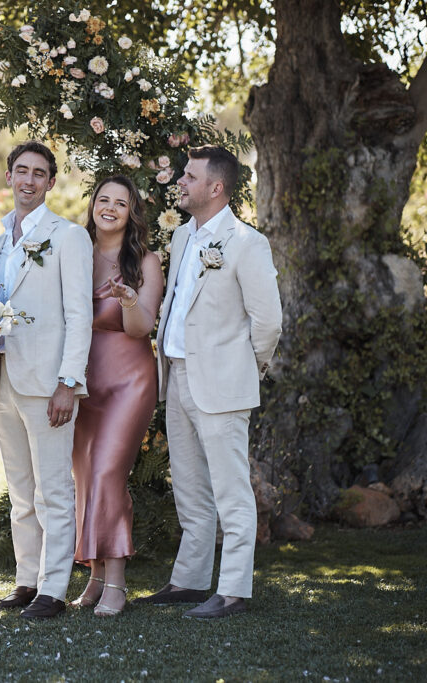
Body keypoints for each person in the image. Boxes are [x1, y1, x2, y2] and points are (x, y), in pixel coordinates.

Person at [134, 145, 282, 619]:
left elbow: (269, 323)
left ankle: (234, 590)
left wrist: (245, 367)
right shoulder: (181, 238)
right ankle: (190, 580)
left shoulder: (247, 243)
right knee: (191, 488)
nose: (180, 181)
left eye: (190, 176)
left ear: (216, 188)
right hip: (177, 377)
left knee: (231, 490)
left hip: (223, 383)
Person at [0, 141, 93, 619]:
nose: (28, 180)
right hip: (0, 377)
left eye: (39, 173)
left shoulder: (68, 237)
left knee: (52, 489)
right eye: (21, 171)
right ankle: (27, 581)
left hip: (47, 382)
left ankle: (54, 589)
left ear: (50, 182)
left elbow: (78, 314)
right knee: (21, 489)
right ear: (8, 177)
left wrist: (68, 381)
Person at [68, 176, 163, 617]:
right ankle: (94, 576)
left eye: (119, 203)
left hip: (129, 379)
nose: (109, 208)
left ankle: (118, 582)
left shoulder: (147, 261)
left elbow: (142, 327)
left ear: (131, 212)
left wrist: (127, 299)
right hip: (81, 379)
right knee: (86, 476)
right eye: (102, 199)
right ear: (91, 206)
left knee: (107, 471)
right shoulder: (71, 250)